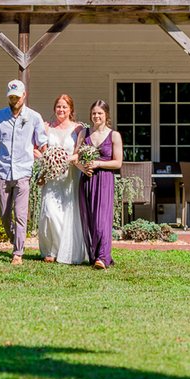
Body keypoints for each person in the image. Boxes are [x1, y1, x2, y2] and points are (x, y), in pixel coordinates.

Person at [0, 79, 47, 265]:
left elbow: (42, 143)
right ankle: (15, 239)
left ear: (24, 95)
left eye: (17, 96)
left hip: (23, 172)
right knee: (4, 215)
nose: (14, 99)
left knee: (20, 214)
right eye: (11, 96)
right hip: (2, 171)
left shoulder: (34, 117)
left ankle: (18, 253)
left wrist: (47, 165)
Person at [38, 94, 88, 265]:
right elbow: (39, 150)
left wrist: (65, 159)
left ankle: (65, 250)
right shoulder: (46, 127)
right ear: (54, 109)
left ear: (71, 110)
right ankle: (51, 250)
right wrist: (47, 161)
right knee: (49, 213)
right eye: (58, 106)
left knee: (67, 213)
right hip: (51, 176)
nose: (61, 110)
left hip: (70, 176)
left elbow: (79, 153)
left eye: (65, 107)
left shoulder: (78, 129)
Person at [77, 99, 123, 269]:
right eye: (94, 113)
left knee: (102, 219)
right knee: (89, 217)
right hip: (87, 180)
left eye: (100, 113)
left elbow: (117, 163)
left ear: (106, 115)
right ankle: (94, 254)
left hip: (104, 179)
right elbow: (76, 157)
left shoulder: (114, 135)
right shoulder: (84, 133)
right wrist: (83, 168)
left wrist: (97, 164)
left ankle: (103, 257)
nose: (96, 116)